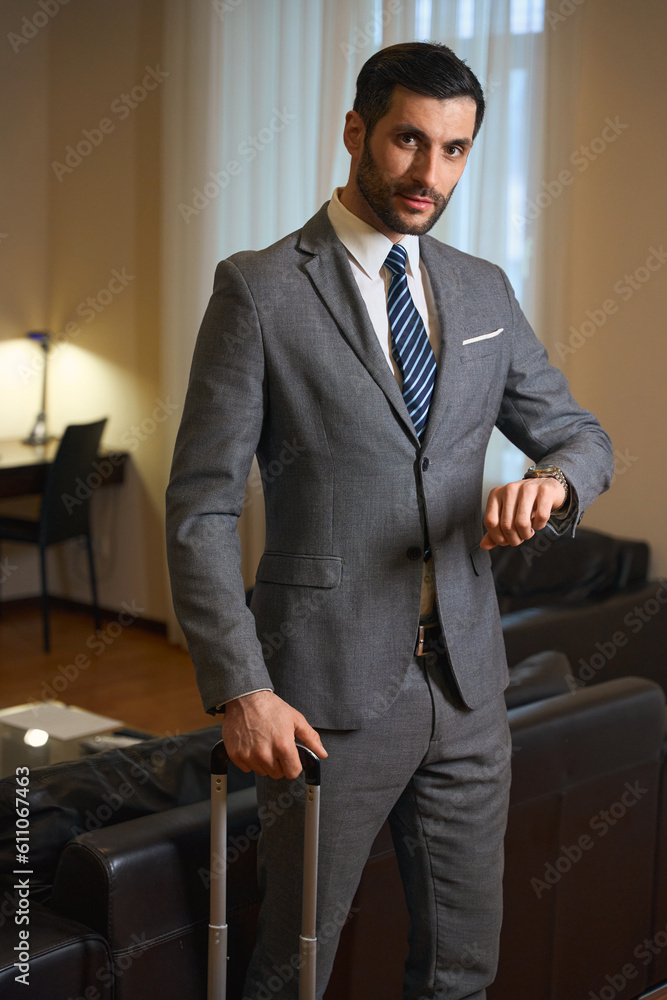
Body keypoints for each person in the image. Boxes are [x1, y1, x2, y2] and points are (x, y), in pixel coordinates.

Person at [166, 41, 613, 1000]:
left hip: (468, 692)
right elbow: (200, 507)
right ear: (355, 132)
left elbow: (577, 435)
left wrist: (555, 484)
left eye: (453, 150)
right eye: (410, 140)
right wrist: (241, 687)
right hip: (320, 699)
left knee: (463, 967)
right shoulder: (259, 289)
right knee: (292, 965)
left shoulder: (483, 288)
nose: (429, 173)